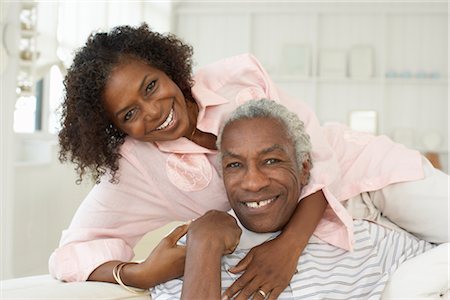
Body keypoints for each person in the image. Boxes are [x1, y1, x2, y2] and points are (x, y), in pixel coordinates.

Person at [49, 23, 448, 298]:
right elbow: (71, 252)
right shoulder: (136, 169)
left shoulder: (238, 78)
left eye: (150, 86)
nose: (152, 112)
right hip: (342, 230)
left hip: (370, 174)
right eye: (129, 114)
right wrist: (137, 273)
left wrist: (288, 249)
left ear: (166, 68)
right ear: (117, 130)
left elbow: (316, 157)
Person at [151, 99, 441, 300]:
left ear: (304, 170)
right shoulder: (194, 252)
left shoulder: (354, 239)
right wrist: (204, 244)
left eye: (271, 160)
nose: (253, 182)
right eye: (235, 165)